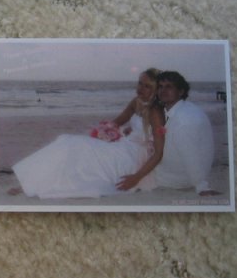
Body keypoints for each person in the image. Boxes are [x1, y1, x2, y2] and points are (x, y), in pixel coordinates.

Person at [9, 68, 165, 199]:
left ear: (155, 90)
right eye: (140, 83)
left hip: (132, 156)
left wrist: (136, 178)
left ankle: (34, 185)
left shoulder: (155, 112)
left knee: (74, 146)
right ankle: (32, 182)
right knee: (67, 141)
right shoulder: (137, 102)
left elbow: (158, 153)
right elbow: (116, 123)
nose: (140, 88)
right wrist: (104, 133)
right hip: (122, 146)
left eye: (147, 86)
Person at [154, 71, 218, 196]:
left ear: (181, 91)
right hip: (181, 170)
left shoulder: (184, 119)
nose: (163, 90)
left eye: (169, 87)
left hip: (179, 177)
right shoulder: (184, 109)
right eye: (160, 87)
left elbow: (190, 154)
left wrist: (201, 185)